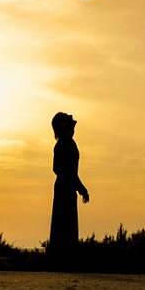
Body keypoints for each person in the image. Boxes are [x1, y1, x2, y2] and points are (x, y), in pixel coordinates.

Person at [48, 112, 89, 264]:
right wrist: (81, 188)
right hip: (66, 188)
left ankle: (60, 261)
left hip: (65, 187)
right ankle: (65, 262)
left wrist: (78, 186)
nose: (71, 117)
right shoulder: (66, 144)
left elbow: (61, 169)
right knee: (66, 226)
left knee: (63, 226)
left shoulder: (64, 144)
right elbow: (64, 170)